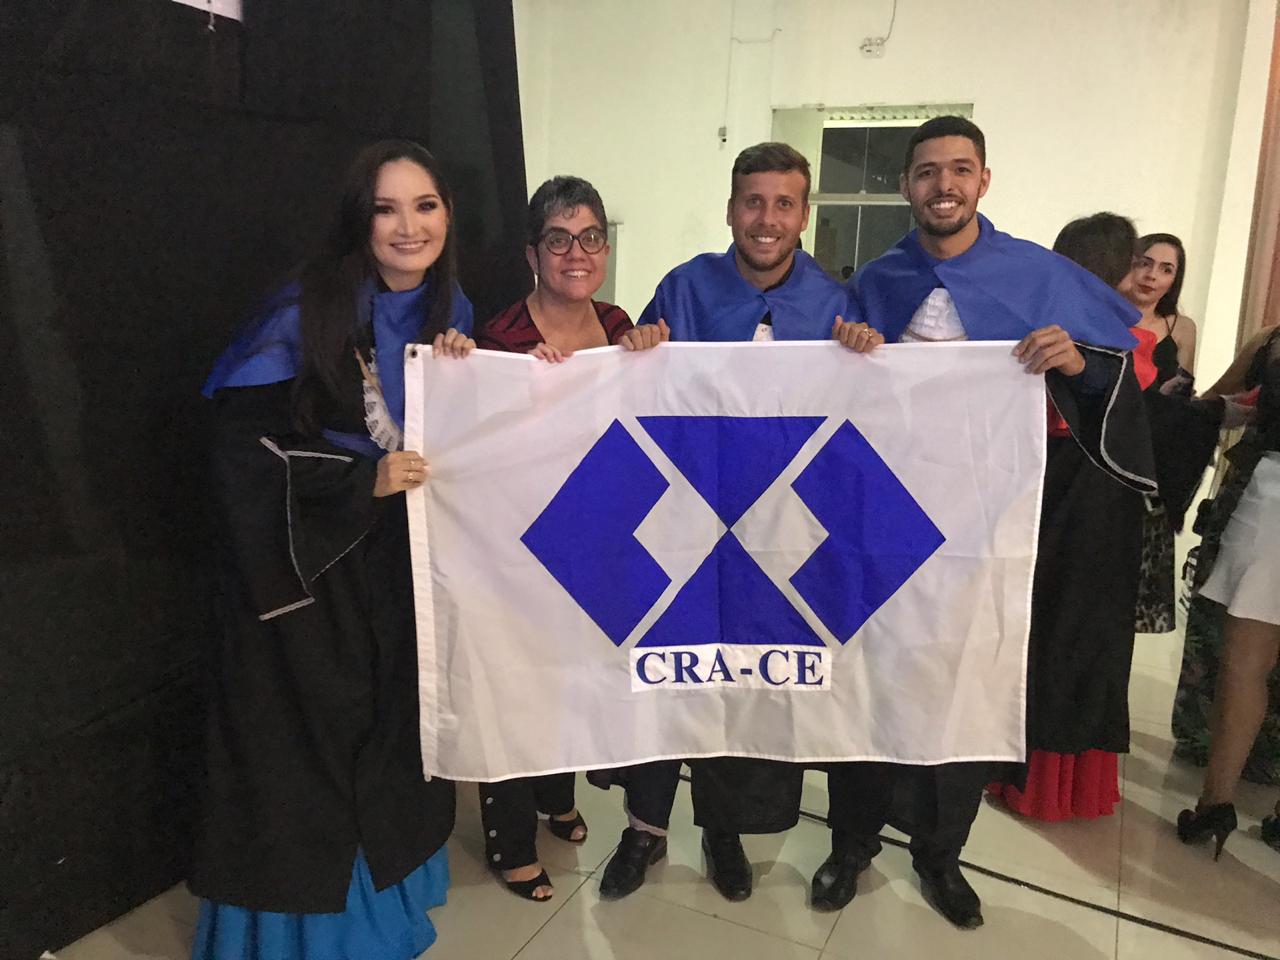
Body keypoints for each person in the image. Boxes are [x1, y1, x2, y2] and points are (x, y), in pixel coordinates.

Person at [827, 118, 1156, 929]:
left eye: (960, 169)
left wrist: (1075, 361)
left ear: (983, 180)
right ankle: (850, 841)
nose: (944, 184)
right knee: (866, 679)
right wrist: (849, 345)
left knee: (971, 684)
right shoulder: (877, 278)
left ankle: (940, 855)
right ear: (906, 186)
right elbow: (831, 389)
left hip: (988, 525)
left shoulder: (1036, 274)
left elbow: (1112, 377)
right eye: (927, 171)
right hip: (881, 519)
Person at [191, 140, 475, 960]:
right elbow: (239, 455)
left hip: (400, 567)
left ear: (447, 214)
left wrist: (469, 379)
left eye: (424, 205)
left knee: (388, 735)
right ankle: (305, 939)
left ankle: (386, 906)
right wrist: (360, 484)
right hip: (306, 575)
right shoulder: (305, 307)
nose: (409, 227)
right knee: (308, 752)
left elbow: (459, 444)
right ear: (360, 219)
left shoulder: (450, 308)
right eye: (386, 208)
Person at [596, 141, 876, 904]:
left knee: (742, 679)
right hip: (685, 518)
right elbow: (636, 397)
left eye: (784, 203)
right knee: (664, 669)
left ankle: (723, 831)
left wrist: (864, 355)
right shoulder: (684, 288)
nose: (767, 219)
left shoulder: (836, 303)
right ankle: (643, 829)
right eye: (753, 201)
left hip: (778, 533)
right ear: (730, 209)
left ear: (804, 215)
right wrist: (637, 350)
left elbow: (866, 422)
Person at [989, 213, 1227, 824]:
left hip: (1060, 494)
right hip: (1092, 500)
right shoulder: (1119, 342)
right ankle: (1052, 784)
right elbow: (1149, 423)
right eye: (1138, 264)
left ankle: (1025, 777)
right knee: (1073, 636)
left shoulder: (1060, 332)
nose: (1145, 278)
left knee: (1047, 630)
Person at [471, 175, 632, 901]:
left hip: (594, 538)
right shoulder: (499, 338)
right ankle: (509, 841)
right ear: (533, 253)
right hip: (516, 545)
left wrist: (650, 357)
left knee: (570, 676)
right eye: (559, 239)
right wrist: (508, 387)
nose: (577, 253)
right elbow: (475, 440)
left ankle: (555, 796)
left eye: (591, 236)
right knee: (515, 686)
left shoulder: (621, 324)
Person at [1177, 323, 1280, 858]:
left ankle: (1215, 805)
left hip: (1272, 494)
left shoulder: (1272, 340)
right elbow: (1220, 400)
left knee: (1245, 663)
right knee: (1245, 661)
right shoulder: (1269, 339)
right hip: (1269, 492)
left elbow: (1215, 399)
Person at [1121, 234, 1199, 633]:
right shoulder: (1104, 313)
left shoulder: (1180, 328)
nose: (1152, 276)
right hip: (1106, 452)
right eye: (1145, 263)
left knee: (1133, 588)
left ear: (1174, 280)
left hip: (1152, 463)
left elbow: (1186, 395)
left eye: (1166, 269)